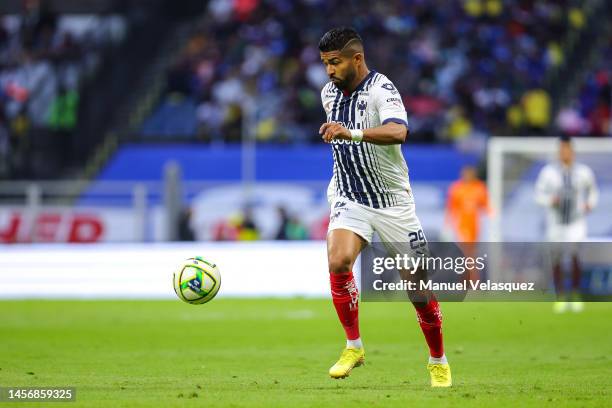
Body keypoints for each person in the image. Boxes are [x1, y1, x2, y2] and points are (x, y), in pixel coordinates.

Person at [318, 27, 451, 387]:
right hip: (349, 195)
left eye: (335, 62)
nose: (329, 71)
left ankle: (437, 359)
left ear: (356, 59)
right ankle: (353, 346)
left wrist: (352, 132)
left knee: (418, 288)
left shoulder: (382, 89)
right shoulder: (328, 94)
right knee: (338, 260)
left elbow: (398, 132)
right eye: (325, 64)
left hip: (393, 202)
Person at [535, 136, 599, 313]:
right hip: (555, 222)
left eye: (568, 150)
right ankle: (561, 296)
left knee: (575, 255)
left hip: (576, 221)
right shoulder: (548, 173)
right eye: (562, 150)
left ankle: (576, 294)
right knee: (555, 257)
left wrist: (590, 204)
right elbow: (538, 195)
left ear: (572, 151)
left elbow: (593, 191)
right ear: (558, 152)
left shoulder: (583, 172)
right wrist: (550, 200)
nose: (565, 153)